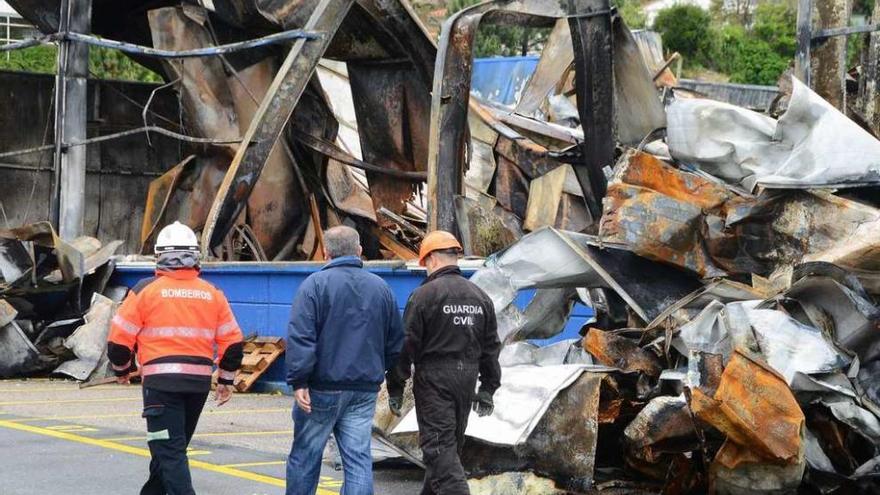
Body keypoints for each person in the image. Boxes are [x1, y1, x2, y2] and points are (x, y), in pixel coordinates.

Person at [106, 221, 244, 495]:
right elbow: (233, 344)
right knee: (169, 449)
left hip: (161, 387)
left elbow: (119, 341)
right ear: (195, 256)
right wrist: (226, 381)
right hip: (197, 386)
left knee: (168, 451)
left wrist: (122, 370)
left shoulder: (145, 290)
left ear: (159, 256)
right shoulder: (212, 294)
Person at [286, 226, 404, 495]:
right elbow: (396, 341)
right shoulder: (381, 288)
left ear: (325, 253)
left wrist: (299, 380)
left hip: (321, 388)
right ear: (360, 250)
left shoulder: (314, 286)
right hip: (364, 389)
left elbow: (301, 337)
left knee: (306, 456)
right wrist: (385, 373)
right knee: (358, 460)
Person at [386, 230, 502, 495]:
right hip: (466, 381)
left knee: (440, 454)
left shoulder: (424, 296)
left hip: (434, 382)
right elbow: (491, 348)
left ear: (432, 260)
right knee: (447, 451)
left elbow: (407, 345)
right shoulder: (480, 297)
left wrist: (395, 385)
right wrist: (488, 388)